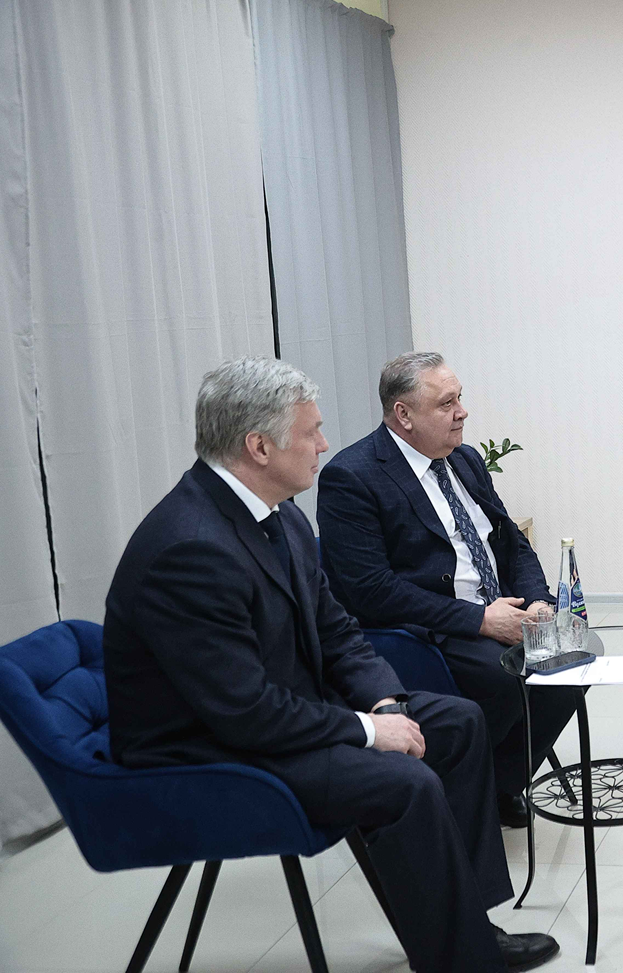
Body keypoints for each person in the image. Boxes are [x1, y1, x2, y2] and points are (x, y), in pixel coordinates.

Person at [103, 357, 558, 973]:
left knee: (456, 723)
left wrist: (386, 702)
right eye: (311, 431)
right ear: (259, 447)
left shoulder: (279, 513)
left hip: (278, 711)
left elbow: (336, 630)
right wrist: (369, 731)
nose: (323, 444)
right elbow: (245, 713)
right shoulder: (189, 548)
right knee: (405, 783)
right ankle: (463, 957)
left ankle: (467, 925)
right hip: (209, 752)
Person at [319, 352, 576, 829]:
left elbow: (510, 541)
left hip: (501, 607)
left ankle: (498, 785)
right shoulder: (352, 477)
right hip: (432, 625)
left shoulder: (465, 459)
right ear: (403, 414)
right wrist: (480, 620)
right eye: (446, 403)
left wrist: (539, 600)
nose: (462, 412)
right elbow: (369, 590)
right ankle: (465, 791)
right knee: (503, 676)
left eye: (460, 398)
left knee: (569, 666)